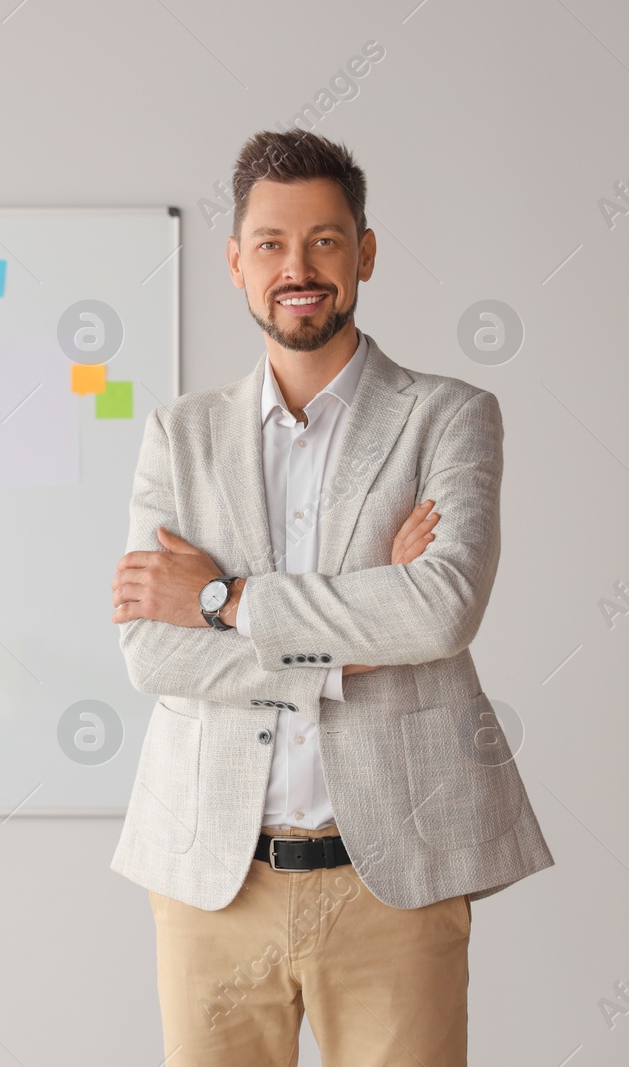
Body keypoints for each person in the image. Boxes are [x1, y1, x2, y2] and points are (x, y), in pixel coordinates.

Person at [108, 129, 553, 1066]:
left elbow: (440, 610)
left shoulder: (450, 416)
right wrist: (363, 623)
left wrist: (223, 598)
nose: (297, 267)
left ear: (366, 251)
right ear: (236, 261)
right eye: (270, 242)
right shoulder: (178, 437)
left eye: (324, 238)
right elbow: (155, 652)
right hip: (213, 882)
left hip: (395, 876)